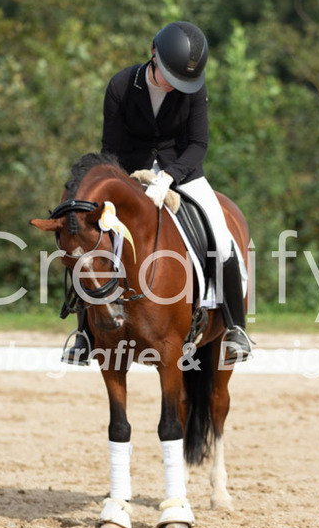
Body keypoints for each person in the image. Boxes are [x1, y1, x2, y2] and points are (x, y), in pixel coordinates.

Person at [63, 21, 252, 365]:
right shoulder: (121, 85)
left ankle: (235, 327)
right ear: (154, 54)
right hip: (129, 175)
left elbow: (198, 144)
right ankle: (85, 333)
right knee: (92, 237)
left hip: (183, 173)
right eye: (170, 76)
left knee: (223, 240)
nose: (175, 86)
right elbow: (111, 147)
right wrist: (129, 181)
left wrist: (168, 176)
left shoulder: (193, 87)